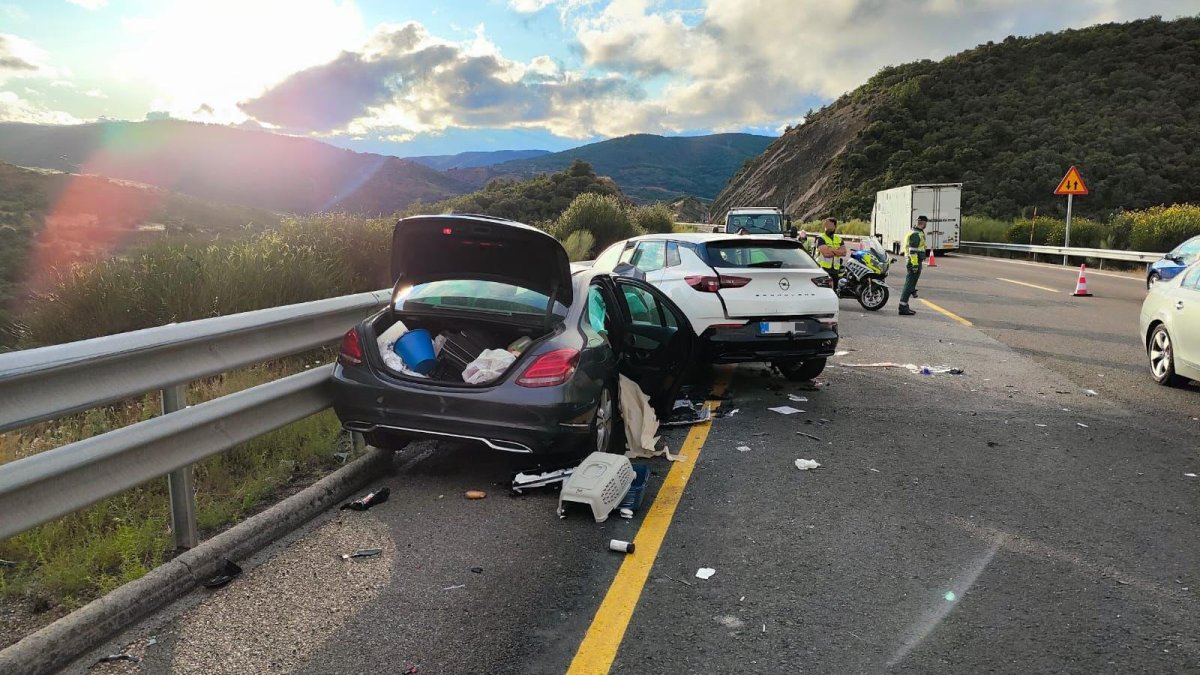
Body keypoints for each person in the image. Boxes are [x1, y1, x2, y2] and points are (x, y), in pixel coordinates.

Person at [898, 215, 929, 316]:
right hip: (913, 263)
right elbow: (913, 251)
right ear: (924, 224)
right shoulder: (916, 234)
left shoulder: (915, 232)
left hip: (914, 262)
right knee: (909, 285)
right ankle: (903, 307)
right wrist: (915, 265)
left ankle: (904, 305)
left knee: (910, 284)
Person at [813, 218, 847, 287]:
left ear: (834, 227)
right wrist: (837, 251)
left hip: (835, 270)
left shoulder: (839, 238)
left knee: (834, 291)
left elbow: (844, 253)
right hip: (822, 269)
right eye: (826, 226)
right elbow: (826, 254)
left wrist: (831, 249)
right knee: (824, 290)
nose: (827, 228)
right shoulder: (821, 238)